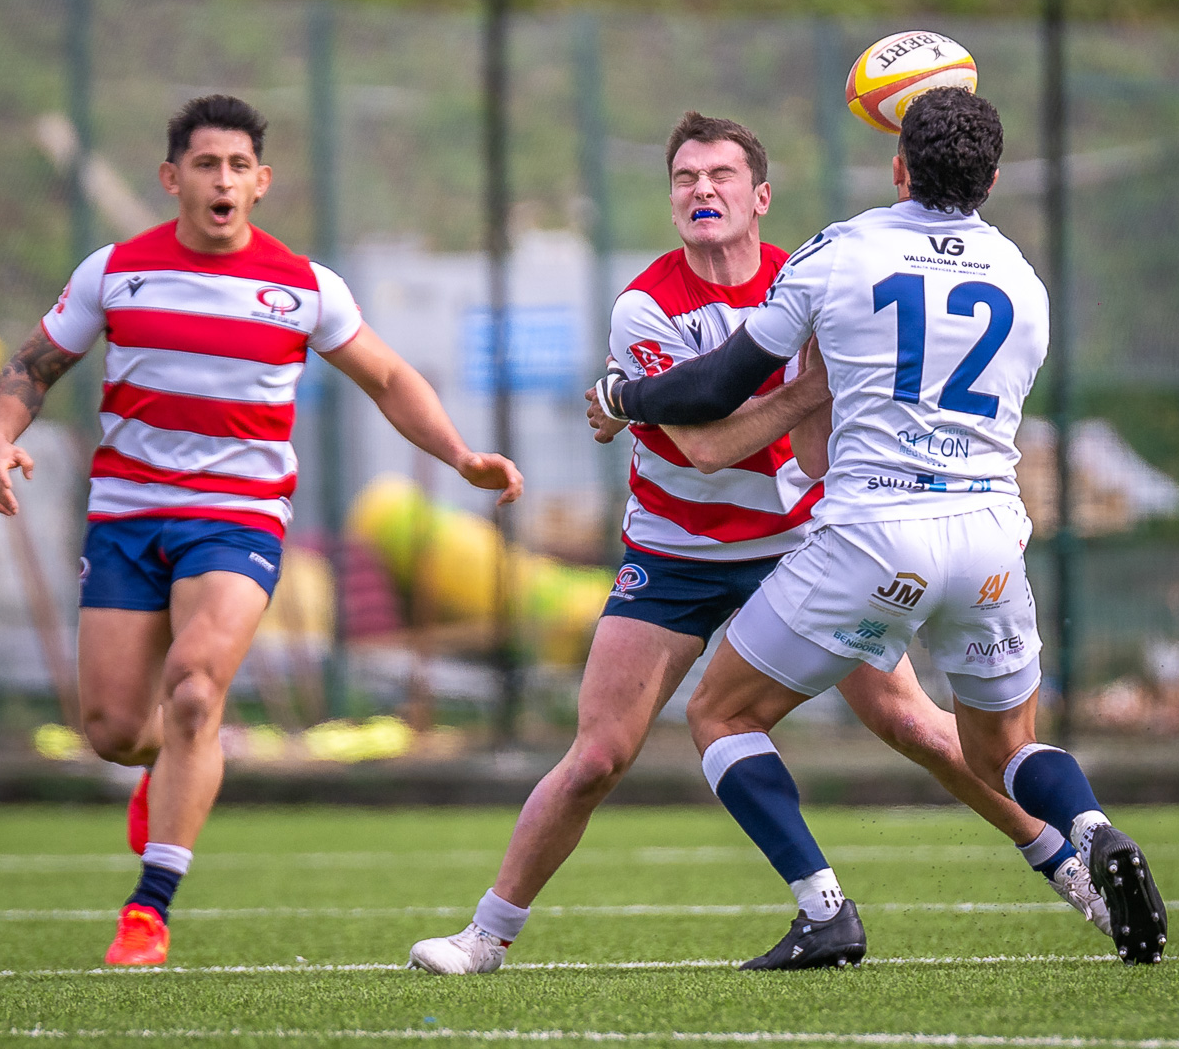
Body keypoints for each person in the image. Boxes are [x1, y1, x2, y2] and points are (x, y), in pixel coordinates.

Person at [408, 111, 1107, 976]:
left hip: (805, 543)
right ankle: (486, 937)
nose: (703, 190)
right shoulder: (647, 307)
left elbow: (813, 450)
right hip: (676, 550)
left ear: (760, 196)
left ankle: (1074, 872)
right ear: (672, 202)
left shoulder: (810, 279)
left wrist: (798, 395)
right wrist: (815, 384)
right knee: (597, 756)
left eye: (722, 176)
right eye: (685, 179)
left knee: (916, 726)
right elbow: (707, 445)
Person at [590, 88, 1169, 969]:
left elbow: (710, 394)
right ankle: (1089, 830)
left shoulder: (838, 254)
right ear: (994, 179)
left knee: (720, 711)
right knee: (1003, 746)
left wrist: (619, 396)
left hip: (875, 535)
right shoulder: (1023, 278)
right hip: (987, 538)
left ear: (898, 168)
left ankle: (822, 906)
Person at [0, 94, 521, 967]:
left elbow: (387, 377)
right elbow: (35, 364)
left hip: (237, 520)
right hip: (125, 516)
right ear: (173, 178)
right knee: (117, 730)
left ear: (261, 182)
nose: (221, 180)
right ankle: (163, 770)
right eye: (204, 164)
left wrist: (461, 455)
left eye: (237, 166)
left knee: (196, 691)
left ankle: (148, 910)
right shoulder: (114, 272)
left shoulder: (303, 288)